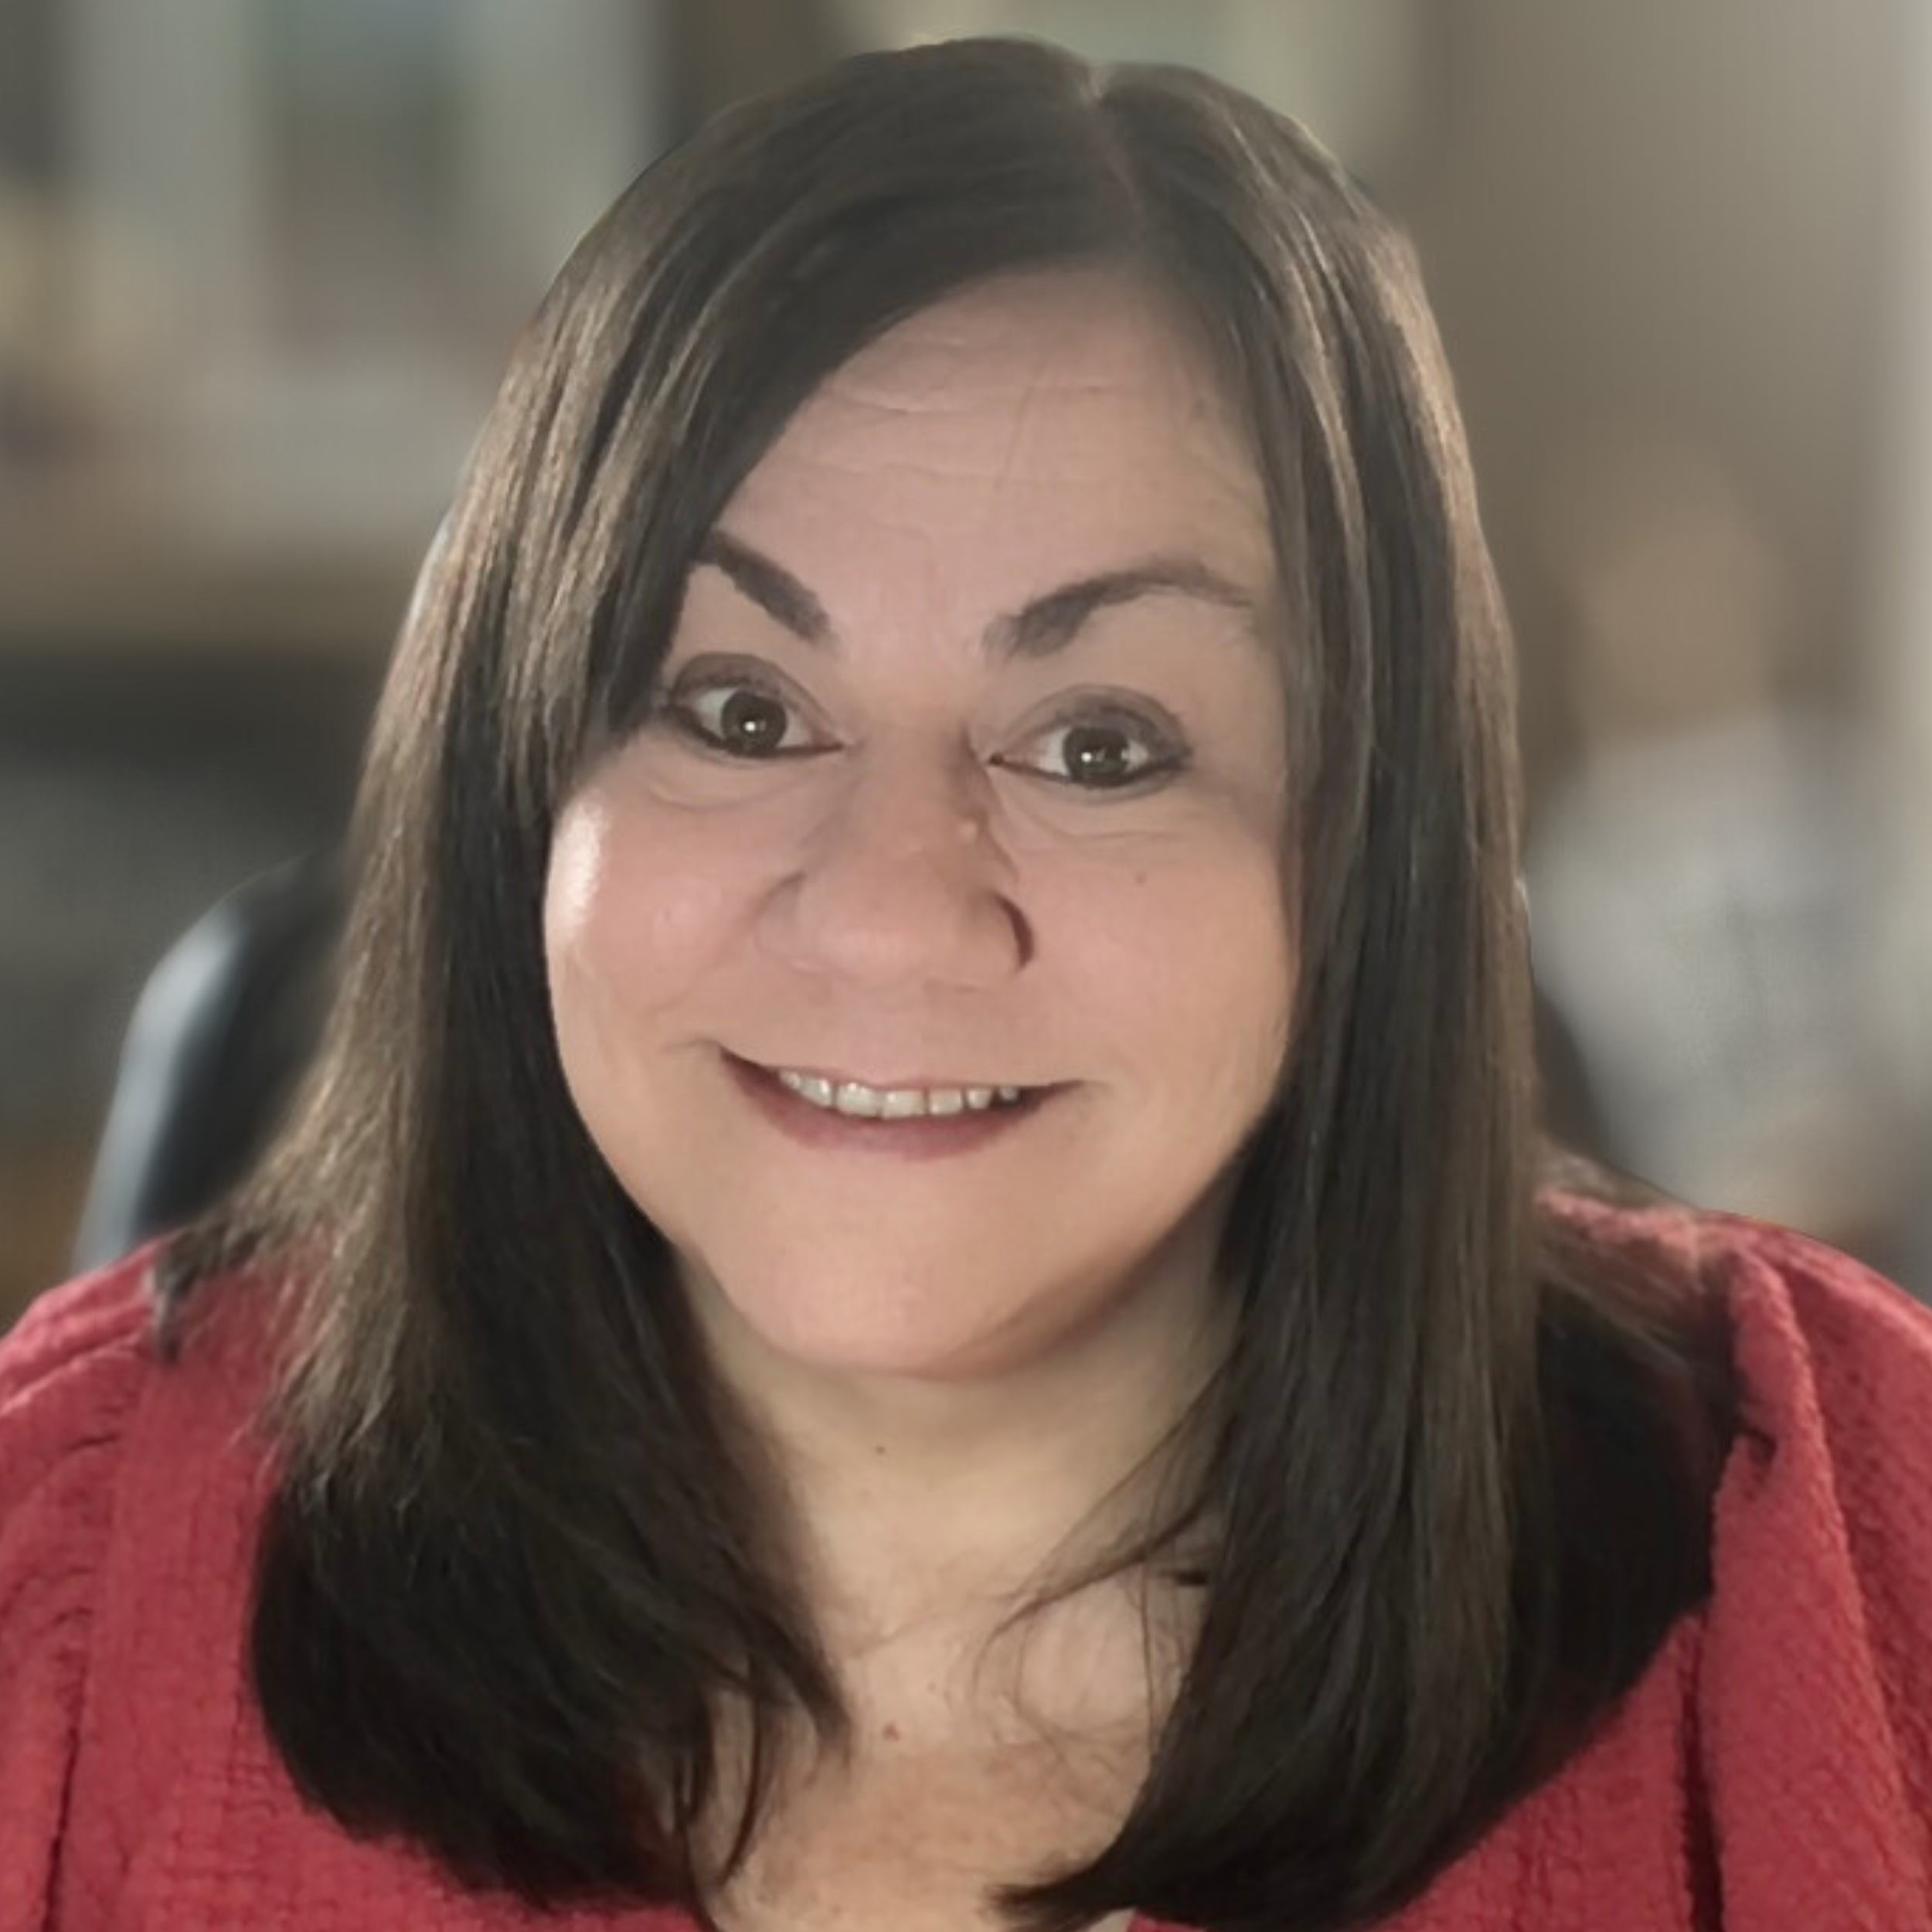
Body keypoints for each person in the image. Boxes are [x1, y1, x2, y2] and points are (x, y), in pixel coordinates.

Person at [2, 36, 1927, 1932]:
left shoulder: (1851, 1559)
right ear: (516, 798)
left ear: (1363, 849)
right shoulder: (53, 1571)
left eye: (1100, 743)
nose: (894, 915)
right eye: (738, 710)